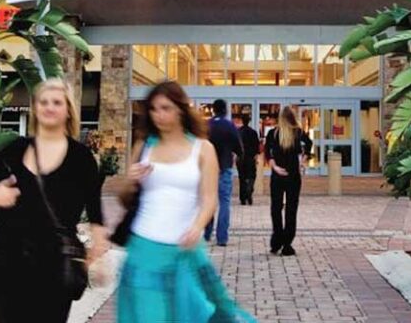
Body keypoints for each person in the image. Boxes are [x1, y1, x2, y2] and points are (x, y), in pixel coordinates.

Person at [117, 81, 254, 322]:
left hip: (184, 250)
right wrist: (130, 179)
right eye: (153, 109)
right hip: (144, 249)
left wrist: (198, 226)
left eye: (165, 108)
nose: (159, 115)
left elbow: (209, 199)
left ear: (180, 109)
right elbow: (124, 197)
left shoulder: (203, 149)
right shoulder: (144, 145)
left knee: (195, 314)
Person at [0, 78, 107, 323]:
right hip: (9, 263)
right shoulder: (13, 150)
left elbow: (96, 214)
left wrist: (96, 255)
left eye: (57, 102)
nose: (49, 107)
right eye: (43, 102)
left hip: (54, 267)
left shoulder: (81, 158)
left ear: (68, 110)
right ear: (35, 108)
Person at [264, 106, 312, 256]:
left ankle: (277, 239)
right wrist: (302, 161)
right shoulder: (298, 132)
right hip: (293, 175)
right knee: (291, 209)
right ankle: (287, 244)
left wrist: (275, 167)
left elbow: (267, 153)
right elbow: (309, 145)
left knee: (276, 208)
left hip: (278, 175)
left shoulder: (273, 133)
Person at [203, 99, 243, 246]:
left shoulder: (207, 125)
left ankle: (206, 233)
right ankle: (222, 237)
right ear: (225, 110)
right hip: (225, 166)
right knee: (224, 202)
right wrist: (237, 154)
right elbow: (239, 146)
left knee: (208, 200)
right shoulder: (229, 125)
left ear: (213, 110)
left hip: (208, 168)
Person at [237, 114, 260, 205]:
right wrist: (256, 156)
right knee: (251, 176)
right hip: (250, 158)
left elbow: (236, 145)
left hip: (241, 158)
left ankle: (243, 198)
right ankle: (249, 190)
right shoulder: (253, 132)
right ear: (249, 121)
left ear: (242, 121)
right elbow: (257, 146)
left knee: (241, 178)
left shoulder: (238, 132)